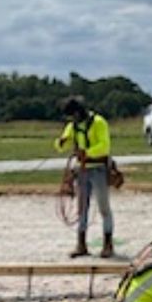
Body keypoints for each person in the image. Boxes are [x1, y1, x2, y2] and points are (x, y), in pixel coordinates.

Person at [54, 96, 115, 258]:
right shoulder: (73, 126)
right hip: (82, 171)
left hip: (99, 169)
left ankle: (108, 244)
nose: (71, 119)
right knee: (82, 209)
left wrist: (87, 153)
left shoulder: (99, 123)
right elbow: (65, 142)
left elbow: (104, 146)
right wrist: (61, 143)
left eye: (72, 115)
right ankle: (81, 245)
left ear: (79, 111)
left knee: (104, 208)